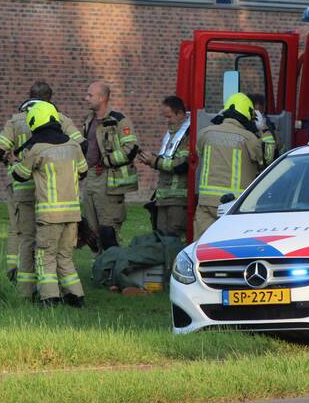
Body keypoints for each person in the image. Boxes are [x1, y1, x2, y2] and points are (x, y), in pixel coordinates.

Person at [0, 81, 83, 292]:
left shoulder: (15, 121)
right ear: (51, 99)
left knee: (26, 238)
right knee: (55, 247)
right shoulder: (61, 120)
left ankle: (25, 289)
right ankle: (61, 289)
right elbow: (81, 145)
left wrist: (12, 159)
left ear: (29, 95)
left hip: (23, 188)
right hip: (54, 192)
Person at [11, 101, 88, 308]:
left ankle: (50, 298)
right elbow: (83, 171)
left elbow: (20, 175)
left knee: (45, 256)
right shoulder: (73, 146)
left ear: (35, 122)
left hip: (49, 216)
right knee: (65, 256)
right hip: (72, 215)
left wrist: (14, 162)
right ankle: (76, 297)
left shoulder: (38, 149)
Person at [194, 92, 264, 239]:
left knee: (202, 246)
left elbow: (199, 151)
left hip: (207, 202)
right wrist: (262, 131)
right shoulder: (249, 138)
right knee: (230, 248)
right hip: (235, 205)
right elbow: (263, 161)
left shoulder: (205, 133)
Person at [81, 81, 138, 251]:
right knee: (91, 230)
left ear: (102, 97)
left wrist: (107, 161)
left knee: (108, 230)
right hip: (91, 178)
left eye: (90, 95)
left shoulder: (119, 120)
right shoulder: (88, 120)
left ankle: (113, 270)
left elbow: (131, 148)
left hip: (110, 180)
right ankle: (99, 268)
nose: (86, 98)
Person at [137, 95, 190, 239]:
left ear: (180, 113)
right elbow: (167, 159)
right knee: (161, 237)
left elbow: (181, 165)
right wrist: (150, 158)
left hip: (177, 199)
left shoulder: (188, 135)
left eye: (169, 116)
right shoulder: (171, 133)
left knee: (174, 238)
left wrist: (153, 161)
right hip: (164, 197)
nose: (166, 121)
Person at [248, 92, 280, 168]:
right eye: (255, 114)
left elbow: (270, 157)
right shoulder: (244, 126)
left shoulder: (270, 127)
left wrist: (264, 130)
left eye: (260, 113)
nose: (258, 117)